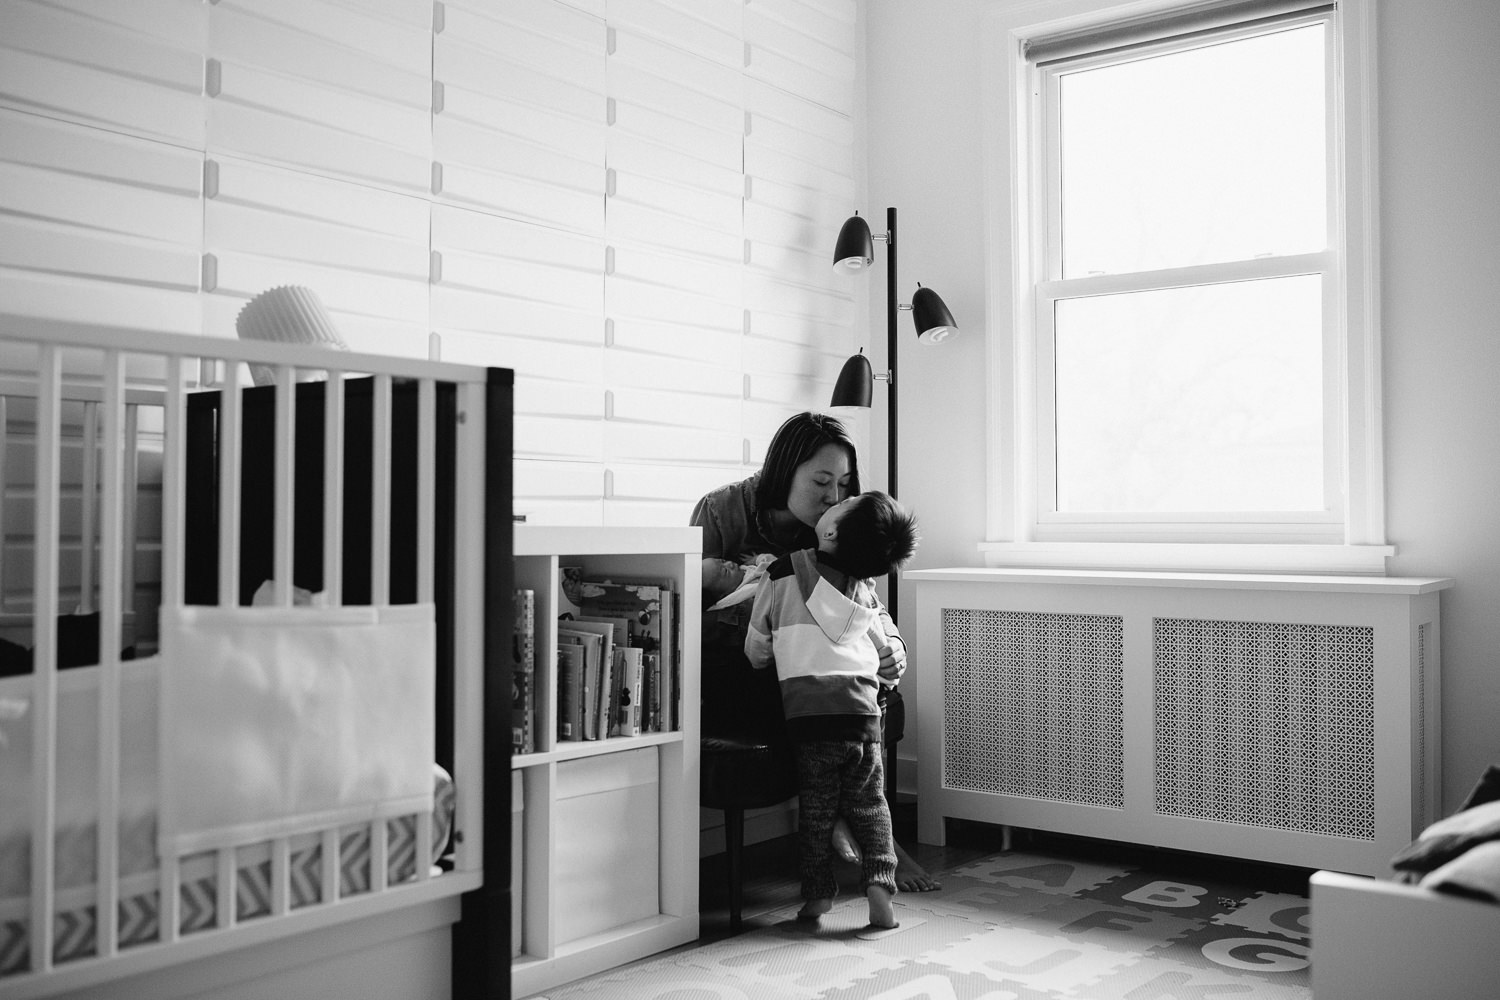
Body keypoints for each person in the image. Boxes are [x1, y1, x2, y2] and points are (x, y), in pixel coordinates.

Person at [691, 410, 942, 893]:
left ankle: (872, 834)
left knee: (866, 682)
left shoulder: (838, 524)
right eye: (822, 481)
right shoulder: (722, 512)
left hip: (817, 666)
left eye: (844, 484)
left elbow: (867, 601)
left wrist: (892, 648)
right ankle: (853, 820)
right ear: (783, 473)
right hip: (739, 666)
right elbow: (689, 613)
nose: (835, 496)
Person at [743, 490, 918, 928]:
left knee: (817, 810)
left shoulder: (781, 574)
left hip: (811, 716)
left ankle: (819, 897)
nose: (832, 502)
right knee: (871, 804)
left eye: (840, 505)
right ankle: (880, 888)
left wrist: (773, 653)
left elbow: (756, 650)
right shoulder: (863, 589)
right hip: (862, 714)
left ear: (833, 530)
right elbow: (883, 653)